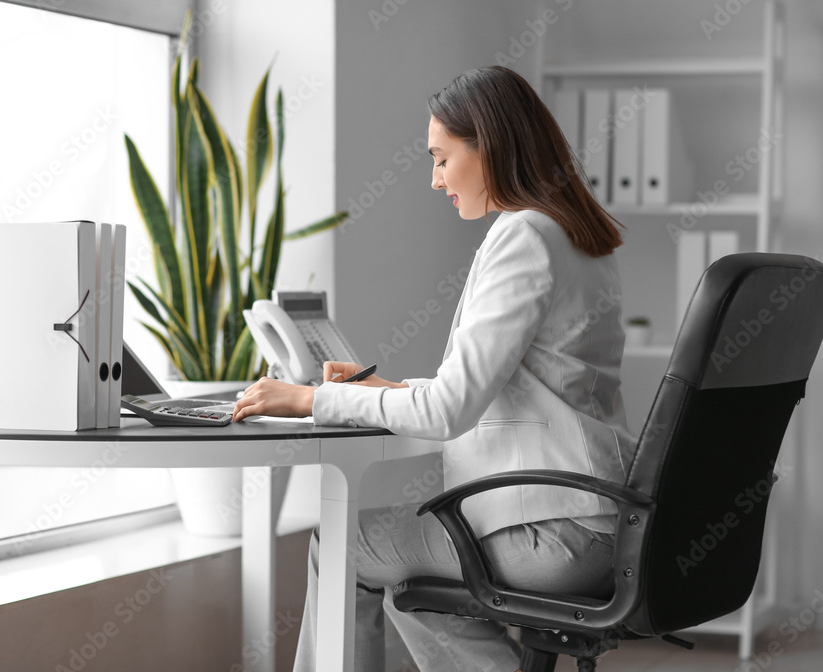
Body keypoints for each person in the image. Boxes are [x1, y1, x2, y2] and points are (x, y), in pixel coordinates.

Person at [232, 65, 637, 672]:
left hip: (554, 531)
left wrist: (310, 400)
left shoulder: (524, 235)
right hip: (599, 522)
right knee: (408, 583)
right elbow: (517, 390)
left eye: (442, 158)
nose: (434, 178)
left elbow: (448, 412)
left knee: (341, 544)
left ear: (490, 149)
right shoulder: (575, 235)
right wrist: (386, 389)